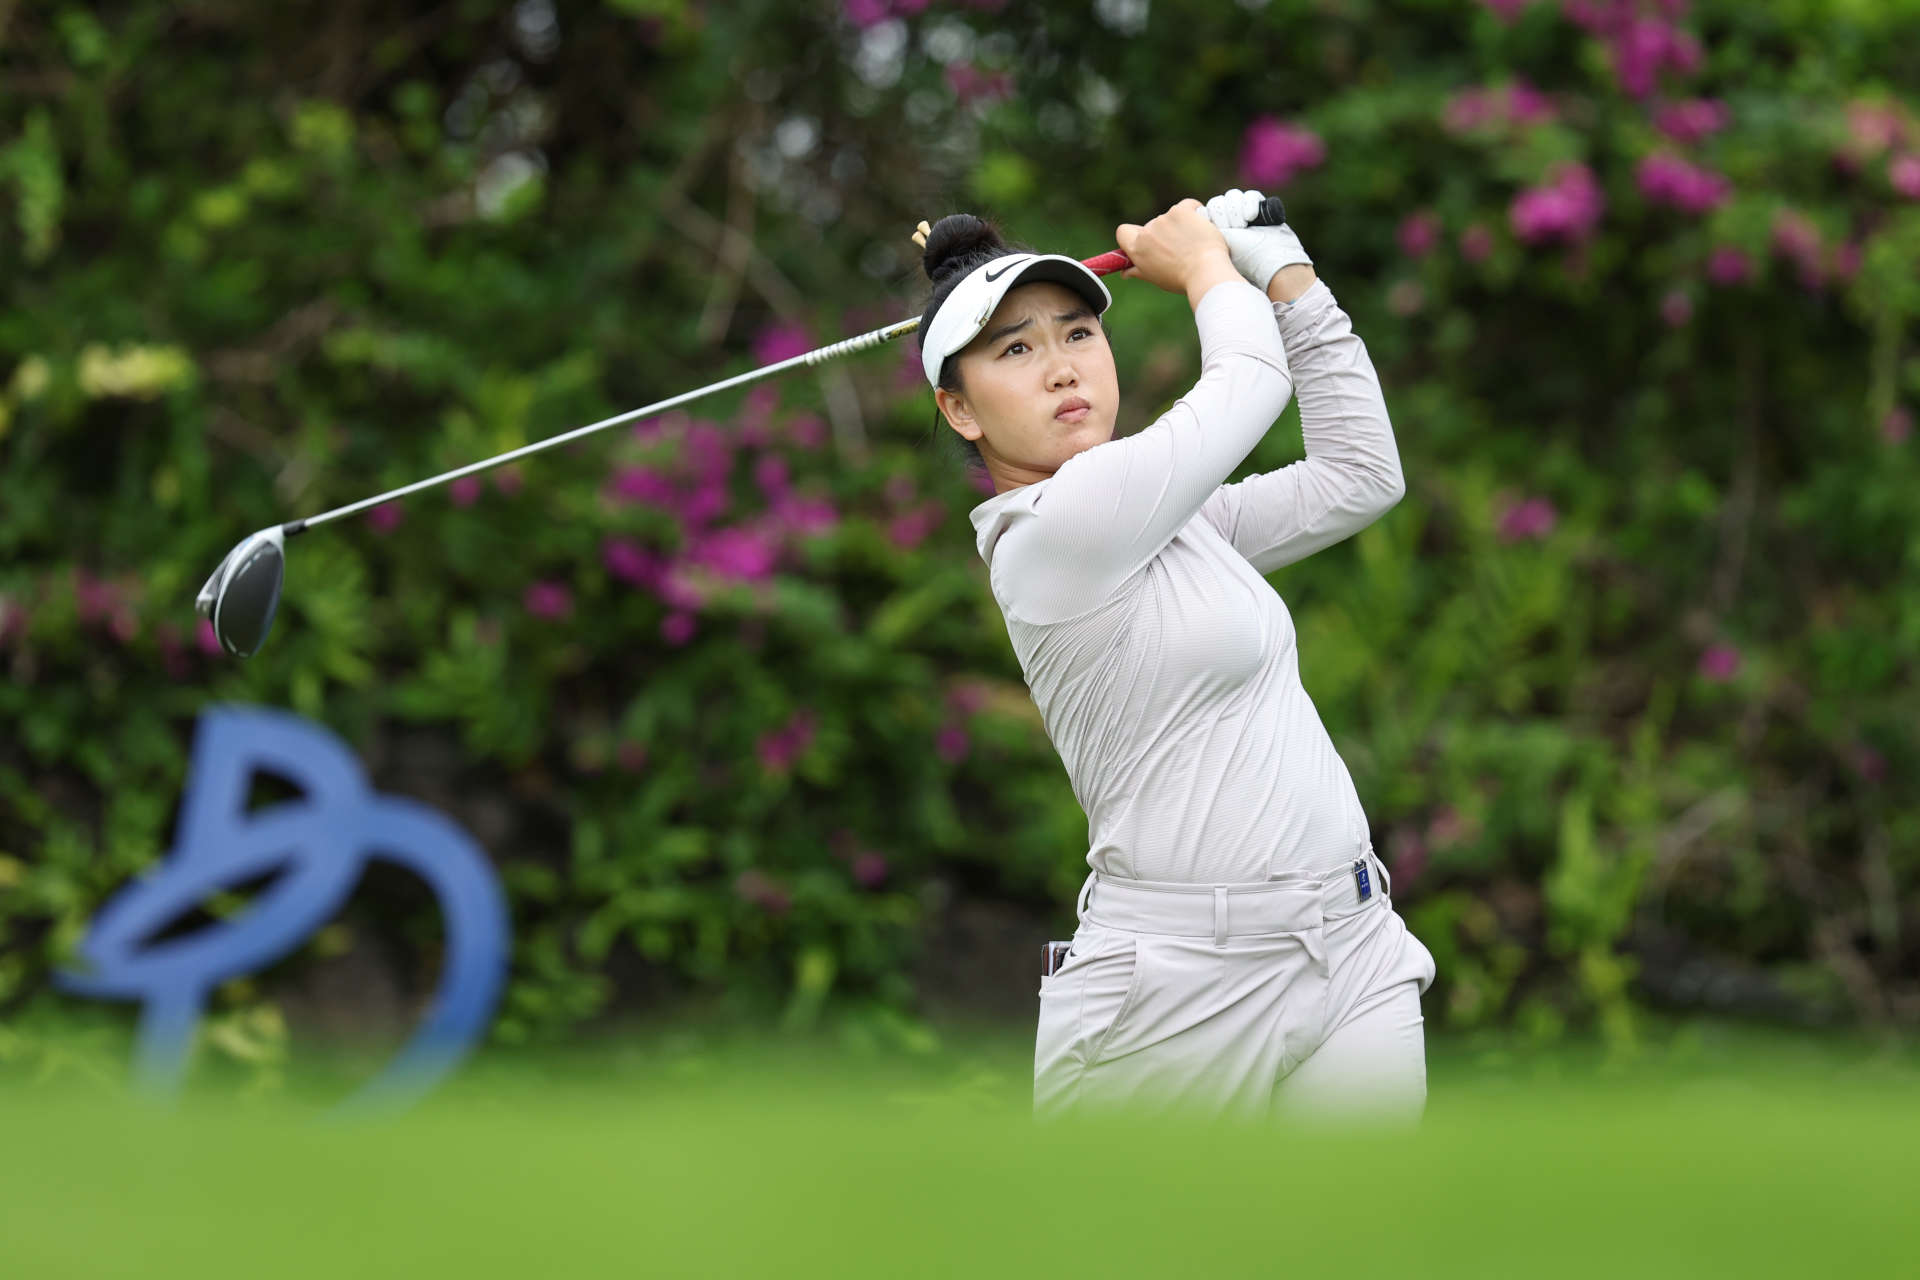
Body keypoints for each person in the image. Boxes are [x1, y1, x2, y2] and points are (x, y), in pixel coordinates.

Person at [915, 192, 1436, 1123]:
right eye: (1016, 350)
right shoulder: (1056, 531)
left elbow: (1362, 474)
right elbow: (1248, 385)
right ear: (960, 411)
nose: (1062, 370)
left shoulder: (1176, 523)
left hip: (1350, 942)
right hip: (1174, 986)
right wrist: (1205, 267)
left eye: (1078, 334)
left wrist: (1284, 273)